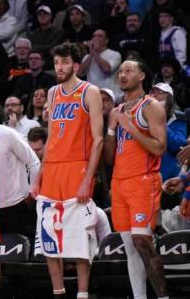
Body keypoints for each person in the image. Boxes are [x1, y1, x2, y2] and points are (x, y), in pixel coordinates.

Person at [29, 43, 104, 299]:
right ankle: (58, 293)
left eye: (64, 62)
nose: (59, 67)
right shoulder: (52, 92)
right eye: (56, 63)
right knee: (50, 238)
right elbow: (50, 139)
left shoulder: (90, 91)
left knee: (80, 238)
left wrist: (87, 179)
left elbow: (99, 140)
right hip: (52, 171)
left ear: (75, 65)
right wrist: (38, 176)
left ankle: (82, 294)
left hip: (77, 168)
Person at [104, 60, 169, 299]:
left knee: (142, 241)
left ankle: (163, 297)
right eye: (120, 71)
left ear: (142, 75)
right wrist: (112, 129)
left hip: (143, 180)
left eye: (129, 70)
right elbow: (109, 157)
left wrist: (130, 127)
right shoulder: (116, 111)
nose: (122, 74)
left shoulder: (151, 106)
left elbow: (159, 147)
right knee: (131, 248)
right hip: (120, 182)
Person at [0, 124, 41, 236]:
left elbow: (34, 163)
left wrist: (31, 194)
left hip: (14, 206)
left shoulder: (7, 134)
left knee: (17, 249)